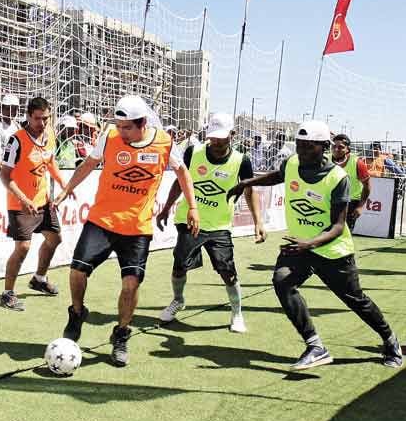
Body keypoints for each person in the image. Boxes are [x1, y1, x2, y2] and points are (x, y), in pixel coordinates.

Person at [226, 120, 402, 370]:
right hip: (299, 246)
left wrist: (309, 244)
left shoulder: (337, 178)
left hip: (331, 251)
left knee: (355, 300)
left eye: (308, 147)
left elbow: (338, 226)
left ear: (323, 147)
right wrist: (248, 183)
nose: (302, 151)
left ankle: (390, 340)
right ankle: (315, 346)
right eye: (299, 145)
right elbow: (280, 175)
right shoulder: (293, 163)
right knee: (282, 282)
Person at [52, 95, 198, 367]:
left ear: (143, 123)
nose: (121, 132)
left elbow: (183, 173)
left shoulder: (165, 143)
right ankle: (77, 312)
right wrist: (65, 191)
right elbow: (87, 165)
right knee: (77, 271)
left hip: (137, 228)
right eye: (118, 126)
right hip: (102, 221)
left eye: (127, 127)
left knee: (131, 284)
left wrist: (192, 207)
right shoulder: (109, 136)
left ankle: (121, 334)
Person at [156, 112, 266, 334]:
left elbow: (249, 189)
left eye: (221, 138)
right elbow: (181, 182)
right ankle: (178, 300)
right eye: (212, 137)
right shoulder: (193, 152)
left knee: (228, 272)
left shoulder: (241, 160)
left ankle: (236, 313)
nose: (215, 142)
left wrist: (258, 222)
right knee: (179, 266)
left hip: (219, 226)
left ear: (232, 135)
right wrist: (167, 207)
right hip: (189, 220)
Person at [0, 97, 72, 311]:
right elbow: (5, 176)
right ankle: (7, 293)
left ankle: (39, 279)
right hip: (20, 204)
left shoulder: (49, 136)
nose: (42, 123)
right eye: (38, 119)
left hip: (43, 202)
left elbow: (50, 163)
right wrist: (24, 199)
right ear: (28, 116)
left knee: (55, 239)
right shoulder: (16, 141)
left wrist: (63, 184)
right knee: (23, 247)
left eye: (46, 118)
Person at [330, 134, 371, 230]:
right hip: (328, 201)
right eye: (334, 146)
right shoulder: (325, 160)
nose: (336, 149)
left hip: (350, 203)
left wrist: (360, 206)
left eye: (341, 147)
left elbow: (367, 185)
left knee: (343, 233)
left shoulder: (357, 163)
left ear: (347, 149)